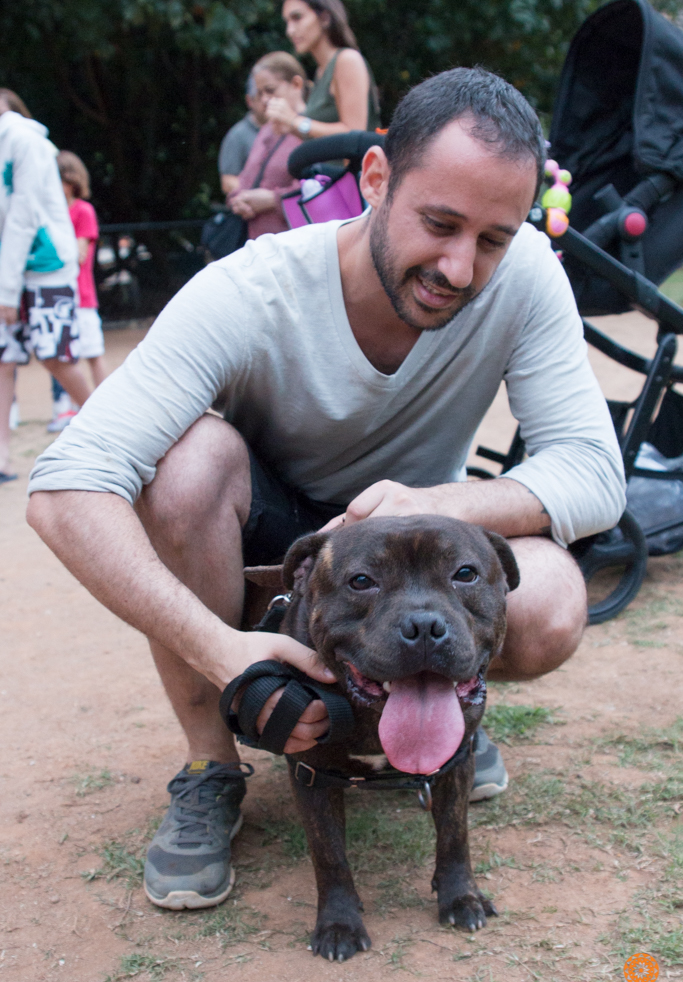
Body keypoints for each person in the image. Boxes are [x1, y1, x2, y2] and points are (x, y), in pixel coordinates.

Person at [27, 68, 625, 913]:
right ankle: (210, 763)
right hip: (269, 550)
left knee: (555, 598)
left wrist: (440, 503)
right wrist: (220, 650)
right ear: (375, 179)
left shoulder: (524, 273)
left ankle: (437, 715)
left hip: (415, 540)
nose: (461, 266)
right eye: (439, 224)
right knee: (187, 460)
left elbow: (595, 471)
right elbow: (63, 488)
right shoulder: (249, 291)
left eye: (492, 237)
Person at [0, 88, 91, 483]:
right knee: (3, 360)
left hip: (46, 266)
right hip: (13, 269)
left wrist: (6, 288)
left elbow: (23, 216)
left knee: (55, 356)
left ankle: (113, 429)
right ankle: (1, 455)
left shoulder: (24, 141)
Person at [46, 151, 108, 432]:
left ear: (70, 181)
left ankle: (108, 405)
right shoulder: (51, 214)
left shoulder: (82, 211)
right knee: (63, 357)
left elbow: (80, 254)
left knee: (93, 354)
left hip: (81, 297)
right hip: (58, 297)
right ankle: (73, 408)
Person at [266, 0, 380, 142]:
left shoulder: (347, 60)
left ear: (325, 18)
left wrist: (295, 120)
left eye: (297, 18)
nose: (290, 31)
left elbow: (354, 134)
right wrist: (291, 127)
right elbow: (326, 143)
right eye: (287, 22)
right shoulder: (321, 71)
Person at [228, 53, 308, 239]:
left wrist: (273, 200)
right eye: (259, 93)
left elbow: (319, 190)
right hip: (256, 245)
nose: (264, 99)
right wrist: (237, 201)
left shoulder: (313, 130)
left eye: (270, 90)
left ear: (296, 85)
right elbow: (245, 181)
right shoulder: (266, 129)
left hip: (293, 245)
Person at [218, 77, 267, 200]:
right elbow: (228, 181)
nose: (266, 100)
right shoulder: (237, 135)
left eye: (271, 93)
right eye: (259, 96)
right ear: (249, 101)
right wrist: (255, 196)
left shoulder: (288, 129)